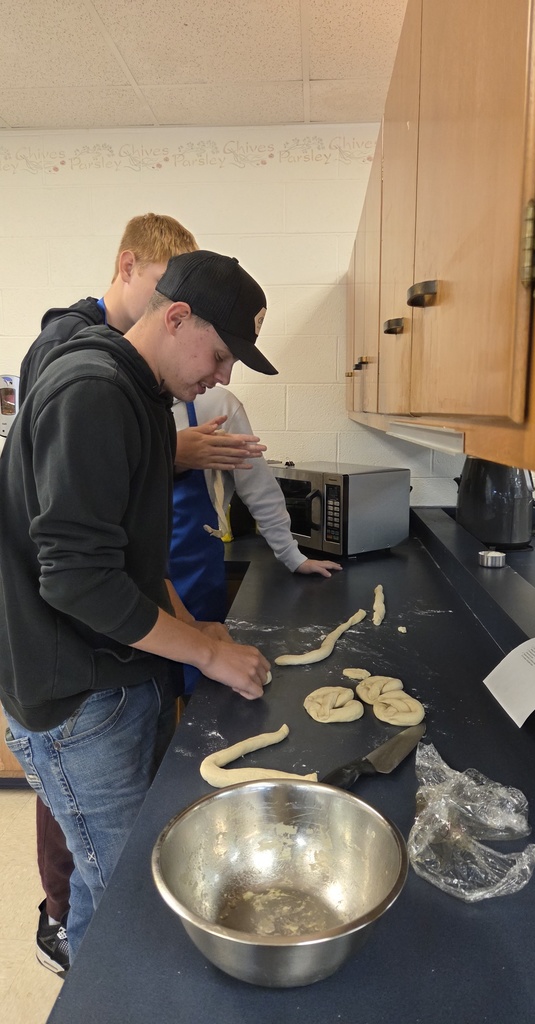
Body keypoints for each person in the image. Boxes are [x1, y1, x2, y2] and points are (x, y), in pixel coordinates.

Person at [0, 250, 274, 965]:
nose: (222, 376)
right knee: (139, 898)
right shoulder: (89, 390)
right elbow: (78, 581)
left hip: (124, 678)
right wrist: (208, 652)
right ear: (176, 316)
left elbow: (135, 557)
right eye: (219, 354)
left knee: (108, 890)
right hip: (78, 704)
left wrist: (190, 627)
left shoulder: (143, 397)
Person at [170, 387, 341, 691]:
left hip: (196, 577)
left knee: (201, 696)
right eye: (220, 356)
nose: (224, 375)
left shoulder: (216, 405)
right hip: (132, 586)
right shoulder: (117, 399)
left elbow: (258, 487)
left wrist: (292, 555)